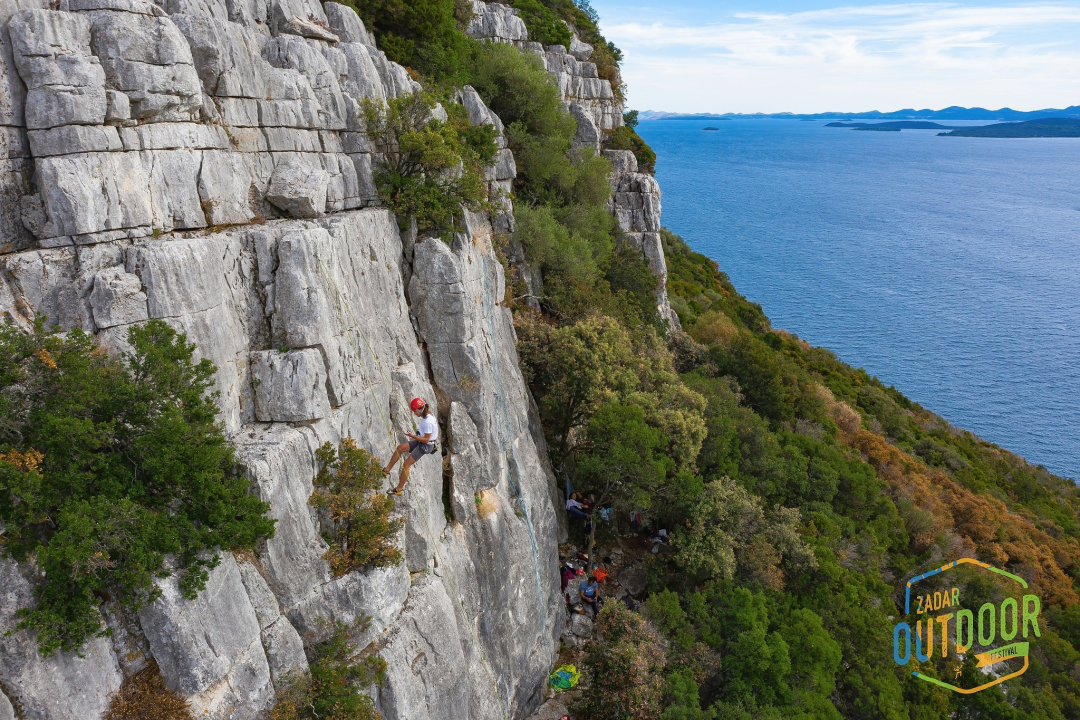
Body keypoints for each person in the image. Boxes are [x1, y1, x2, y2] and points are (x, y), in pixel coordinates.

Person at [384, 398, 439, 496]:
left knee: (406, 465)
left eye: (415, 411)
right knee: (400, 448)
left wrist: (411, 436)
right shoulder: (428, 414)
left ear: (420, 410)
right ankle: (386, 470)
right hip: (421, 440)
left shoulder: (428, 422)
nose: (414, 413)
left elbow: (426, 439)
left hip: (425, 445)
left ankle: (399, 489)